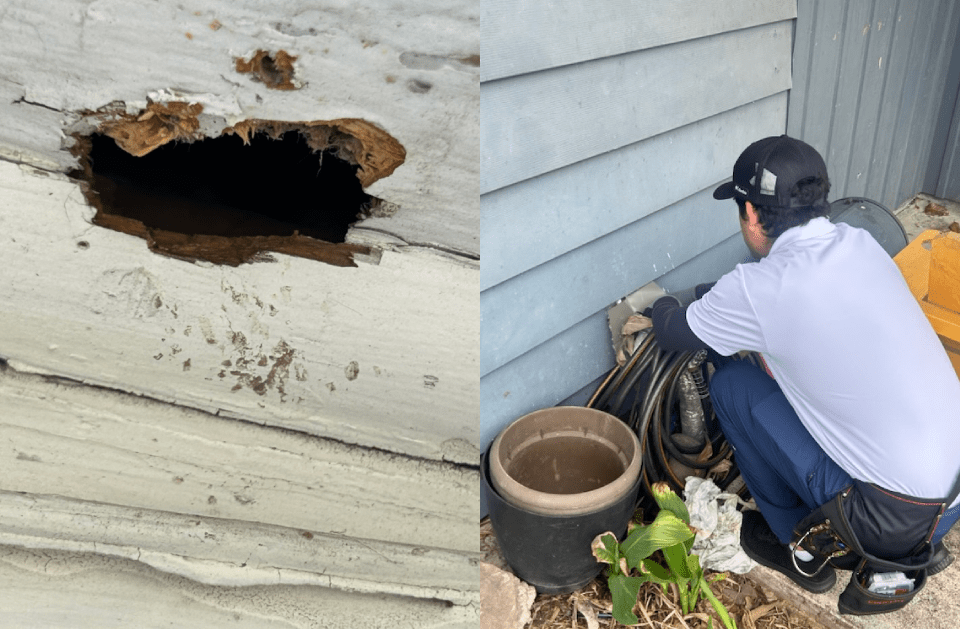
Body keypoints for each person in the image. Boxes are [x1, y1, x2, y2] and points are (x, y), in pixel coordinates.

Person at [646, 135, 960, 607]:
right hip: (951, 497)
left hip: (890, 521)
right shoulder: (860, 244)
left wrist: (660, 301)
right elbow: (785, 305)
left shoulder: (760, 289)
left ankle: (798, 547)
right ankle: (911, 541)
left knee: (733, 386)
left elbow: (673, 330)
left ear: (751, 215)